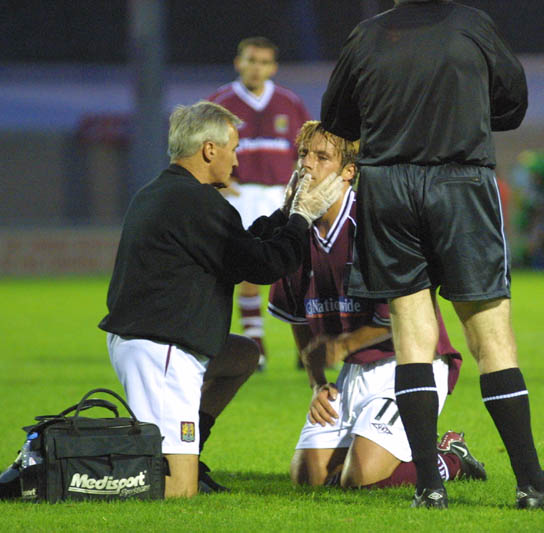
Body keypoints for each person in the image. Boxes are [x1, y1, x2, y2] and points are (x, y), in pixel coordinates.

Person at [321, 0, 544, 509]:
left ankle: (428, 485)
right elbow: (514, 101)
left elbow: (337, 116)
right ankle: (532, 484)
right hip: (459, 180)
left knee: (412, 335)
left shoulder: (366, 35)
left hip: (388, 186)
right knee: (491, 337)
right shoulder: (470, 24)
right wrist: (461, 108)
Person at [99, 101, 343, 498]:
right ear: (209, 150)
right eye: (233, 147)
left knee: (242, 355)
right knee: (178, 490)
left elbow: (241, 246)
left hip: (157, 338)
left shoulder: (171, 193)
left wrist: (285, 213)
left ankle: (187, 447)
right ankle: (83, 469)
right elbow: (264, 266)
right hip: (162, 349)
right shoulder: (196, 203)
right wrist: (303, 216)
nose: (237, 159)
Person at [268, 121, 486, 489]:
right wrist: (317, 382)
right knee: (308, 477)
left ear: (349, 172)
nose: (308, 165)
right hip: (353, 371)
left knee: (359, 477)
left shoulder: (374, 222)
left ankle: (451, 458)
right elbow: (295, 314)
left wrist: (342, 345)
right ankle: (378, 444)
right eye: (305, 154)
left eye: (323, 157)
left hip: (409, 362)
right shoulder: (294, 228)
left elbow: (403, 315)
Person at [209, 36, 311, 371]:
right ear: (239, 62)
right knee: (249, 273)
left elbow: (305, 152)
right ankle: (256, 349)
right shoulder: (219, 104)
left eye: (264, 62)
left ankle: (308, 347)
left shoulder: (289, 102)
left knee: (300, 273)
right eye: (252, 60)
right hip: (241, 197)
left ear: (274, 67)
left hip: (281, 195)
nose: (257, 68)